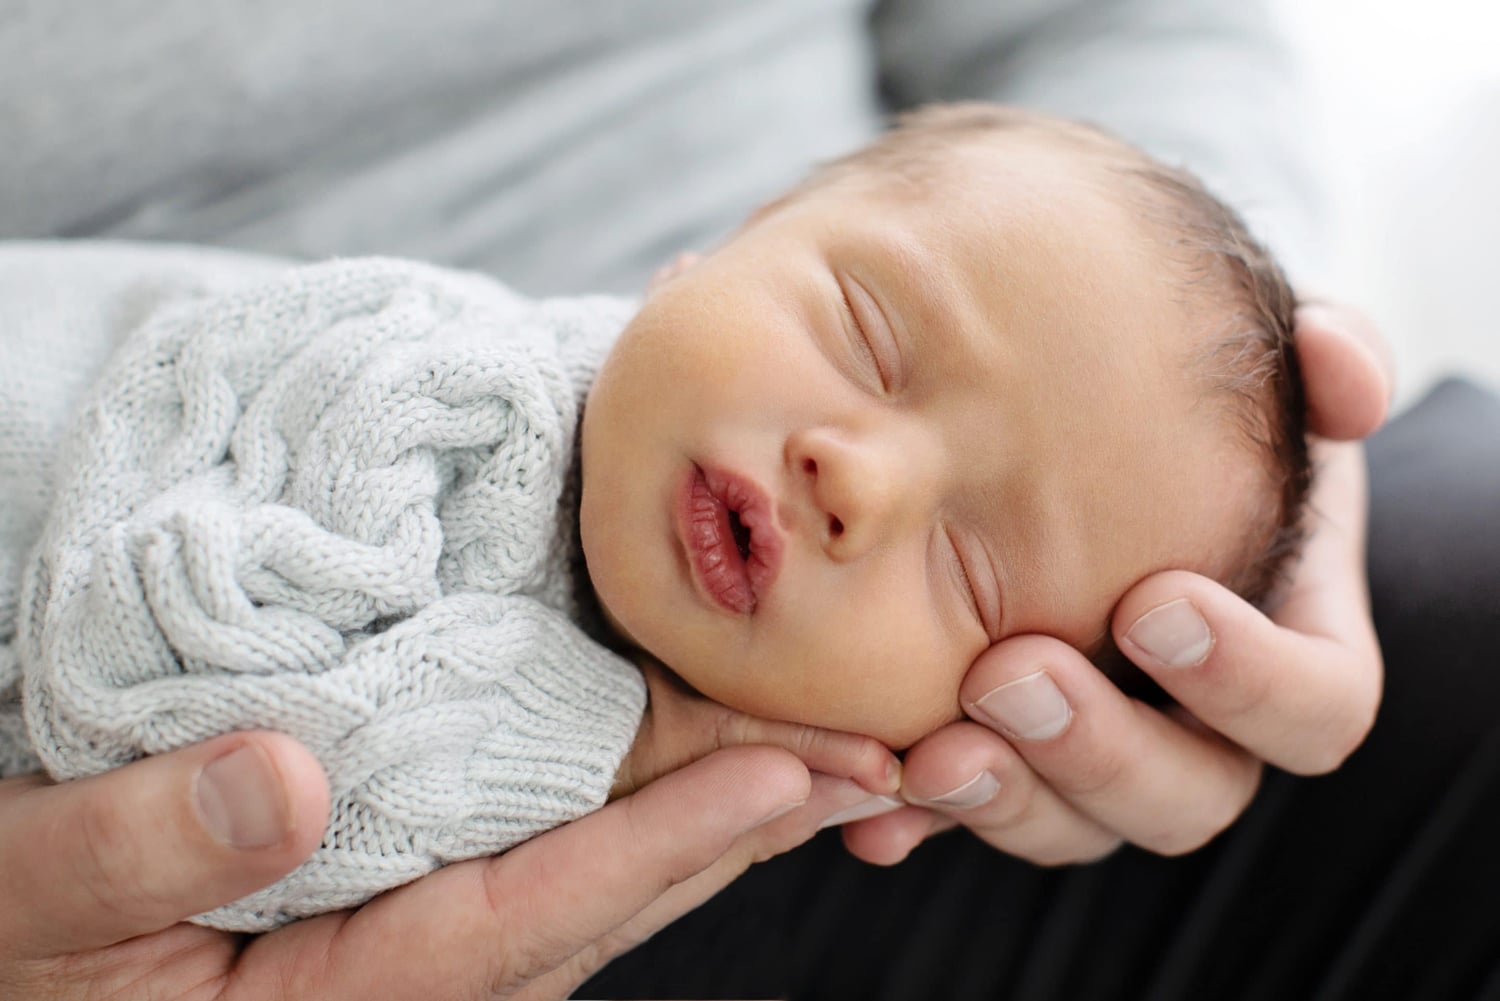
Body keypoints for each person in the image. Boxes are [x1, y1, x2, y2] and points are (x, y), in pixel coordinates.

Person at [1, 1, 1494, 999]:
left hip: (826, 829)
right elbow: (149, 657)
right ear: (710, 254)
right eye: (867, 335)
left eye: (973, 570)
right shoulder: (436, 393)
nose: (862, 477)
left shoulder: (749, 753)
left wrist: (1231, 370)